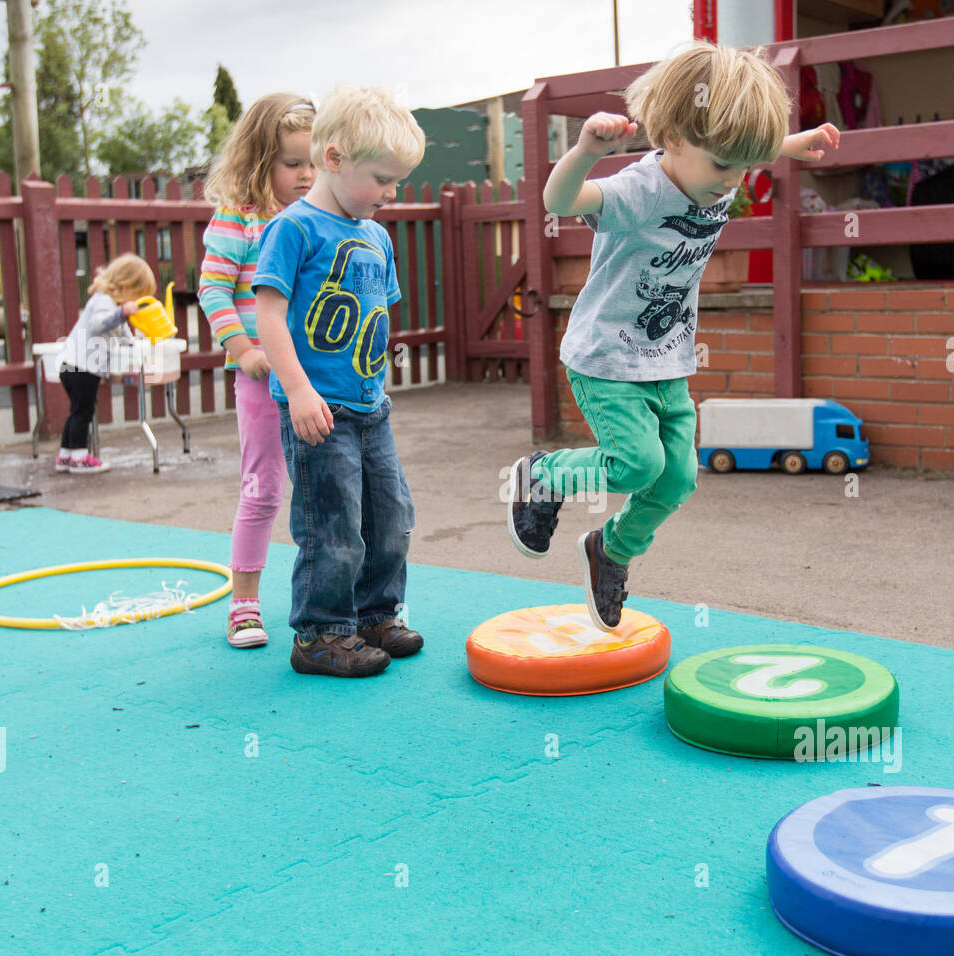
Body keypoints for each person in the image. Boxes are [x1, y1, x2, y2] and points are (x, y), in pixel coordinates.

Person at [508, 42, 840, 629]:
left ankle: (610, 550)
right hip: (607, 358)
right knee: (636, 464)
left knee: (679, 476)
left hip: (667, 360)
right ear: (677, 139)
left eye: (744, 165)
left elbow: (742, 153)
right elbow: (557, 200)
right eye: (723, 166)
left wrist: (797, 142)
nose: (732, 181)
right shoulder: (639, 193)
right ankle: (545, 475)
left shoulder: (714, 167)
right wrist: (586, 151)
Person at [253, 85, 426, 678]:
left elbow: (378, 312)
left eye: (397, 182)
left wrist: (376, 382)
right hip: (317, 410)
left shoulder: (376, 235)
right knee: (334, 525)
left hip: (369, 407)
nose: (390, 193)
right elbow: (269, 315)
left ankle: (375, 614)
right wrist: (298, 389)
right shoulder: (293, 229)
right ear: (333, 158)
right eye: (382, 178)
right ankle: (322, 634)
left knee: (392, 516)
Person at [199, 94, 315, 649]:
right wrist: (244, 348)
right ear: (260, 161)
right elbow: (213, 288)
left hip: (315, 376)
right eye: (293, 163)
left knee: (327, 486)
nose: (306, 174)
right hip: (261, 376)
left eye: (314, 162)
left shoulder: (314, 219)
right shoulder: (240, 220)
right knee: (263, 486)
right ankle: (243, 602)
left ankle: (334, 600)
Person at [55, 253, 157, 474]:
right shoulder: (103, 301)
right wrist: (122, 313)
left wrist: (133, 343)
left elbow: (121, 333)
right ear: (127, 287)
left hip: (73, 365)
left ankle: (65, 455)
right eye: (137, 297)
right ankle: (80, 457)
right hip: (82, 367)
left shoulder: (110, 304)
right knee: (83, 412)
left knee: (76, 411)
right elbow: (99, 324)